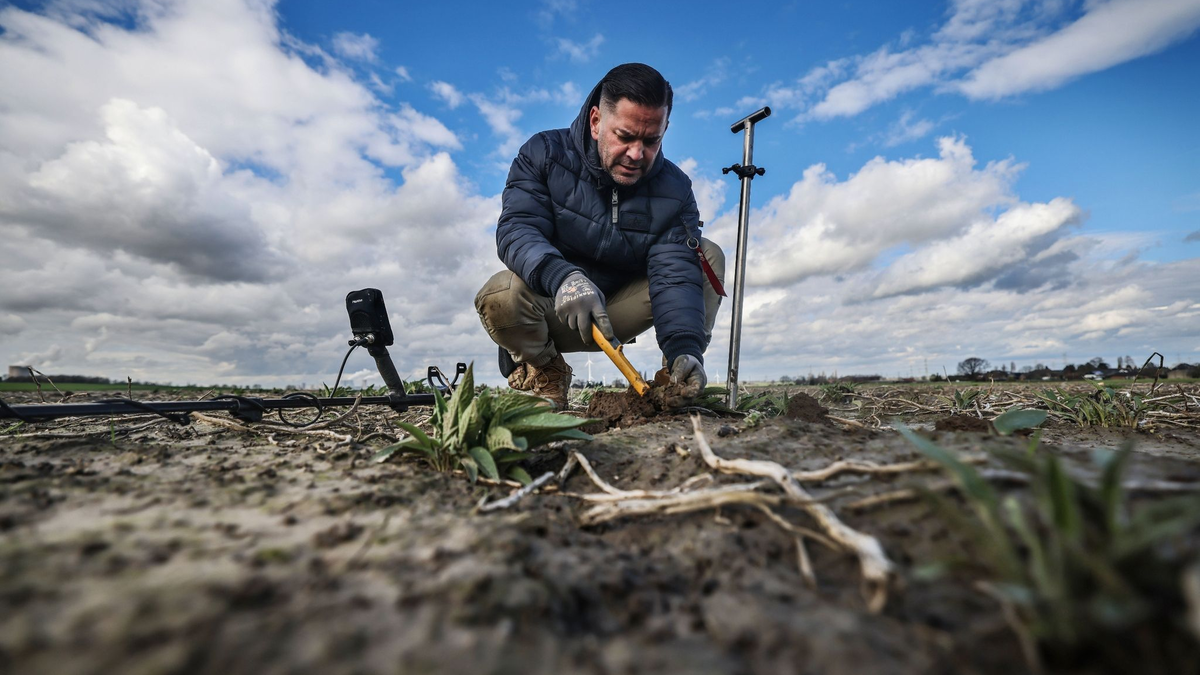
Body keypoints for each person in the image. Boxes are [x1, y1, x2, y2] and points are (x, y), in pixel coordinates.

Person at [474, 63, 725, 409]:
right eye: (624, 136)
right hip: (555, 311)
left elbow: (674, 273)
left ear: (664, 129)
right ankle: (546, 370)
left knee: (706, 256)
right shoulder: (544, 153)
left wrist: (686, 346)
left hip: (617, 313)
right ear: (596, 122)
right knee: (499, 294)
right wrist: (564, 279)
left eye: (651, 140)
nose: (637, 154)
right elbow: (518, 228)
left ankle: (677, 377)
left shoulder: (675, 189)